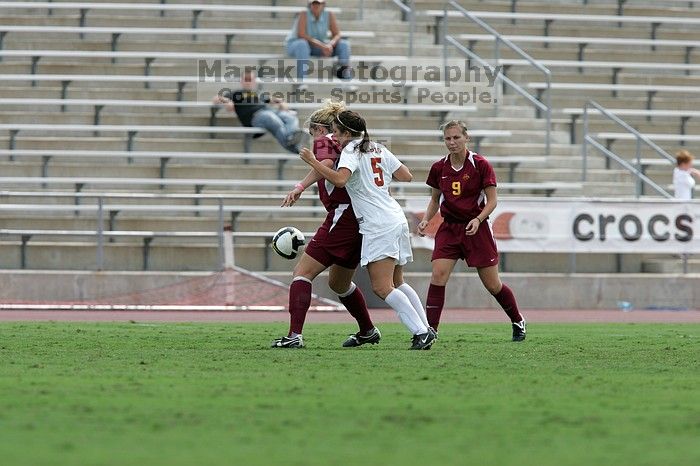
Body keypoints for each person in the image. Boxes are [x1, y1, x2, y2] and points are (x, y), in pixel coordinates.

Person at [300, 110, 436, 350]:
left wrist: (312, 161)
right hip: (396, 218)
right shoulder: (376, 146)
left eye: (337, 132)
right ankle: (426, 327)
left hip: (377, 223)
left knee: (382, 286)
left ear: (347, 133)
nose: (334, 137)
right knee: (397, 280)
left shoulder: (351, 150)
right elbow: (406, 175)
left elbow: (340, 180)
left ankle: (421, 331)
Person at [272, 100, 379, 349]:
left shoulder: (324, 140)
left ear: (320, 129)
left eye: (312, 134)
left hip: (343, 217)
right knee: (338, 283)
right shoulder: (351, 143)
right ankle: (367, 330)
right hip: (362, 218)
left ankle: (294, 335)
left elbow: (327, 166)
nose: (313, 139)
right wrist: (300, 186)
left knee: (302, 273)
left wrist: (305, 175)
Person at [417, 120, 526, 342]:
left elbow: (493, 201)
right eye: (448, 138)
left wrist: (478, 219)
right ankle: (431, 331)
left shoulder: (480, 164)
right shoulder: (439, 167)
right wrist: (426, 219)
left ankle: (517, 320)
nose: (452, 142)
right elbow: (435, 199)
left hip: (476, 228)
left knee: (493, 284)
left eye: (456, 137)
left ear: (467, 138)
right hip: (449, 228)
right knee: (438, 275)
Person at [212, 68, 303, 154]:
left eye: (250, 79)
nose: (248, 82)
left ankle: (291, 138)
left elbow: (271, 99)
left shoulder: (258, 94)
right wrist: (226, 101)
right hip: (255, 118)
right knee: (272, 119)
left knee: (291, 117)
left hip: (269, 112)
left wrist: (281, 102)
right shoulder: (235, 93)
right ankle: (295, 147)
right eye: (245, 79)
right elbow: (216, 98)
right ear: (241, 81)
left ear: (254, 81)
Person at [285, 0, 353, 86]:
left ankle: (346, 80)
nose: (315, 5)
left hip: (316, 47)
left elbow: (337, 34)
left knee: (344, 44)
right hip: (296, 45)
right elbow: (301, 35)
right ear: (309, 4)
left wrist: (330, 45)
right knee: (302, 44)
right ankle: (301, 82)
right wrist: (323, 46)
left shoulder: (329, 14)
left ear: (323, 4)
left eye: (318, 3)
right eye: (313, 3)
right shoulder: (303, 14)